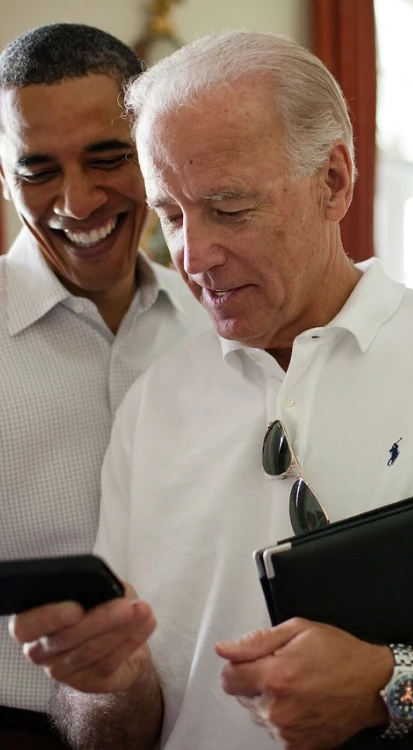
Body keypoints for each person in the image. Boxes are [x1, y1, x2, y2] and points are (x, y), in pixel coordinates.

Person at [9, 31, 413, 750]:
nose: (193, 257)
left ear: (335, 181)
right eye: (170, 215)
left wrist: (393, 684)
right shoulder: (150, 409)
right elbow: (114, 731)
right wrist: (109, 682)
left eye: (228, 208)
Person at [0, 23, 207, 748]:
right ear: (3, 177)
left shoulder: (216, 330)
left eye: (107, 158)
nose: (77, 202)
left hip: (196, 721)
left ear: (152, 153)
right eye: (38, 170)